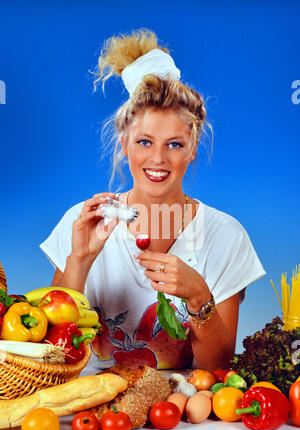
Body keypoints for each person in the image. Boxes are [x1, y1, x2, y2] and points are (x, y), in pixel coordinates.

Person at [40, 29, 266, 373]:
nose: (158, 159)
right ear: (124, 143)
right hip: (95, 409)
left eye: (174, 144)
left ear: (192, 149)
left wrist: (198, 296)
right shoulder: (84, 222)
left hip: (176, 417)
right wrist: (79, 261)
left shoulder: (225, 235)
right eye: (145, 142)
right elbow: (50, 350)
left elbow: (215, 367)